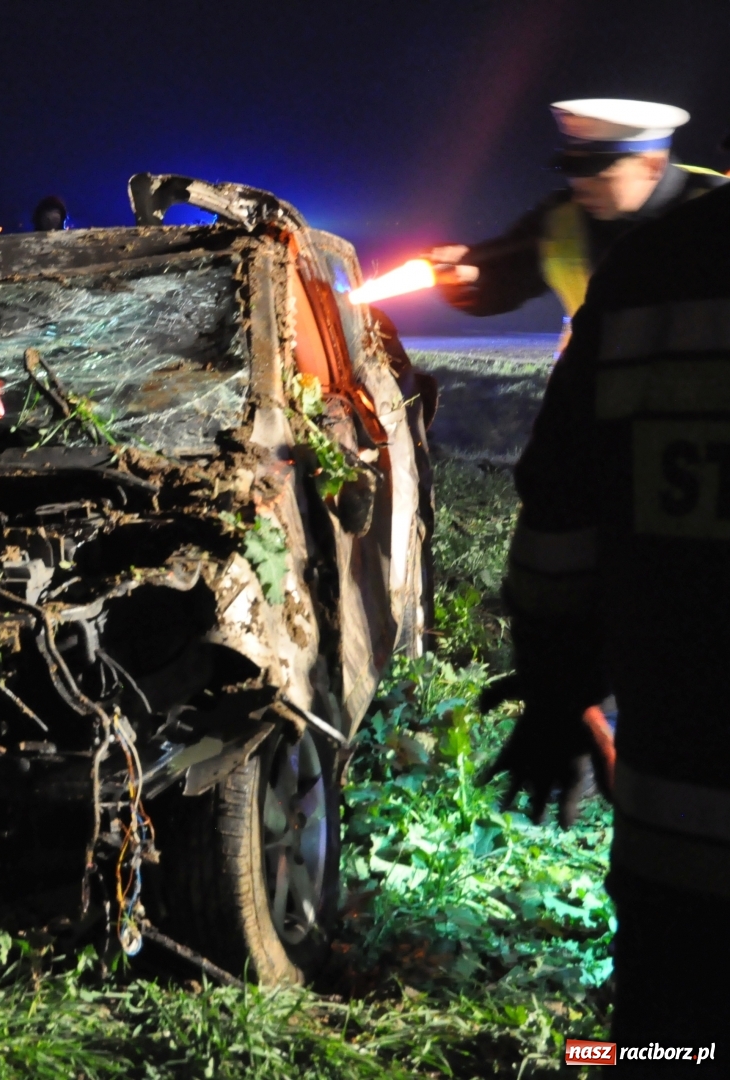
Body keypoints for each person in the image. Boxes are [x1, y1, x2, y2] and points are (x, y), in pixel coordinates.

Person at [485, 174, 730, 1058]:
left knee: (673, 1043)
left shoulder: (654, 267)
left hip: (684, 841)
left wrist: (559, 695)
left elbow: (559, 521)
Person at [427, 99, 725, 351]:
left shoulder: (717, 208)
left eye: (599, 177)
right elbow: (506, 278)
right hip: (594, 395)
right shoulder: (561, 218)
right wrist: (469, 278)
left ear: (652, 165)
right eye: (575, 175)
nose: (580, 192)